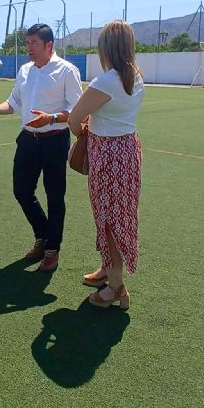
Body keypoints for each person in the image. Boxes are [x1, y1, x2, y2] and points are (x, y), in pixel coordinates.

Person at [0, 23, 82, 271]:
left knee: (55, 196)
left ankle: (52, 250)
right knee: (21, 191)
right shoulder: (25, 70)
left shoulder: (67, 71)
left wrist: (50, 118)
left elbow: (78, 111)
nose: (28, 48)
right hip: (28, 139)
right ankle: (43, 236)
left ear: (49, 45)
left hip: (55, 139)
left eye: (34, 43)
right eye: (27, 42)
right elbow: (13, 102)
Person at [68, 20, 144, 309]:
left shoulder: (106, 81)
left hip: (108, 154)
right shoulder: (135, 75)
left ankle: (116, 288)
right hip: (128, 149)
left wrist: (81, 133)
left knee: (108, 220)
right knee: (120, 216)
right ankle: (108, 268)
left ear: (106, 48)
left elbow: (75, 119)